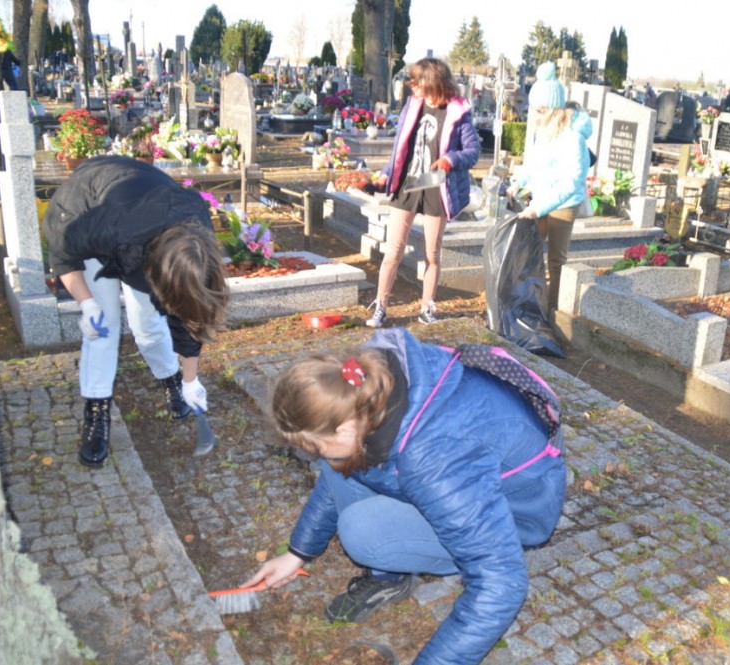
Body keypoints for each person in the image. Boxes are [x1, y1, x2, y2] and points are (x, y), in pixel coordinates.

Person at [245, 328, 566, 663]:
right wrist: (297, 553)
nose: (312, 453)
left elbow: (501, 583)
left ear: (345, 428)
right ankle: (388, 574)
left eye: (314, 446)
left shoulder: (433, 460)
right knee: (338, 462)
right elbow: (337, 469)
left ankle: (390, 567)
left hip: (515, 513)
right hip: (465, 475)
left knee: (363, 530)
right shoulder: (367, 387)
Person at [42, 156, 230, 468]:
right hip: (90, 210)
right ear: (155, 271)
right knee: (103, 327)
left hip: (142, 220)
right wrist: (86, 303)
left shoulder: (196, 235)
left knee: (147, 323)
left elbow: (189, 312)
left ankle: (171, 379)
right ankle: (97, 407)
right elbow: (63, 250)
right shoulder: (106, 225)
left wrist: (190, 379)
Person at [368, 57, 480, 328]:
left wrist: (449, 159)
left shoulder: (457, 112)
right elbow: (400, 146)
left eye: (416, 81)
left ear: (431, 82)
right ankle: (380, 306)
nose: (411, 85)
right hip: (408, 185)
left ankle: (427, 306)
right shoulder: (412, 106)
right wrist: (385, 171)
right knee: (393, 250)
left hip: (437, 187)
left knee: (432, 253)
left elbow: (472, 151)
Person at [509, 62, 590, 313]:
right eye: (535, 110)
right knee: (529, 253)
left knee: (556, 260)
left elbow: (571, 182)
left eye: (541, 110)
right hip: (541, 200)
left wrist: (538, 208)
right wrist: (517, 183)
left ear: (554, 109)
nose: (536, 115)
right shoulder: (545, 132)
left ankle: (553, 311)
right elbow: (533, 164)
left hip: (563, 204)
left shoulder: (572, 137)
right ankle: (531, 302)